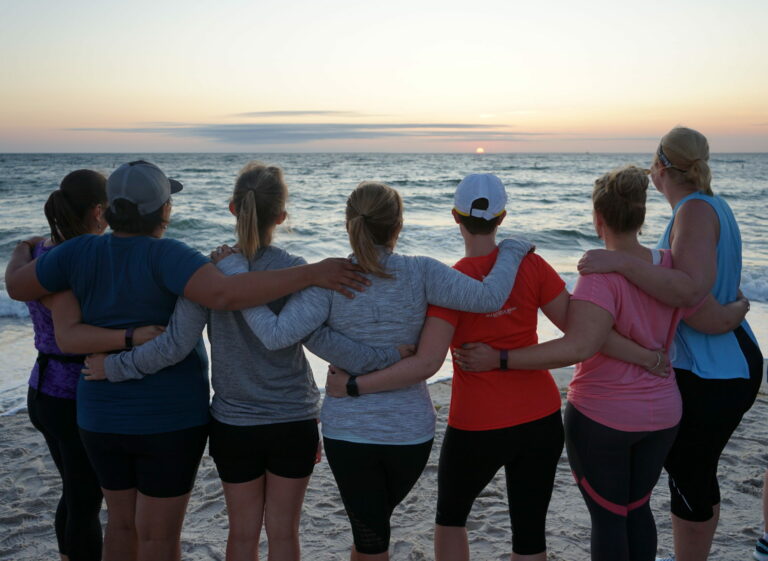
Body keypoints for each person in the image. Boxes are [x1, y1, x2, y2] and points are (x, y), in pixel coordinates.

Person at [4, 160, 371, 561]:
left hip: (101, 412)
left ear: (108, 209)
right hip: (171, 417)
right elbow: (228, 295)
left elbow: (17, 286)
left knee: (121, 526)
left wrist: (23, 249)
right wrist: (312, 275)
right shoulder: (174, 257)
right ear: (164, 210)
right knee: (163, 539)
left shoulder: (77, 250)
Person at [325, 172, 675, 561]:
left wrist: (365, 373)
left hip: (477, 424)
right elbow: (583, 336)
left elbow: (427, 360)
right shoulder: (533, 265)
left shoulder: (451, 282)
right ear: (502, 217)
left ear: (456, 217)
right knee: (530, 535)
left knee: (451, 519)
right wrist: (647, 355)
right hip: (540, 418)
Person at [216, 180, 535, 560]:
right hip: (410, 436)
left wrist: (235, 272)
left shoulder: (331, 280)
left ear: (350, 223)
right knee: (373, 533)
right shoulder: (421, 272)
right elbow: (489, 297)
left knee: (371, 536)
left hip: (350, 435)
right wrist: (512, 249)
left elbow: (276, 334)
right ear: (398, 226)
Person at [578, 129, 763, 561]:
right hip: (725, 357)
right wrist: (731, 311)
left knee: (690, 475)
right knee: (697, 472)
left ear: (660, 166)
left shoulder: (694, 211)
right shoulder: (707, 206)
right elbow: (704, 293)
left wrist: (621, 261)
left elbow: (693, 302)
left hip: (714, 366)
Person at [8, 170, 153, 561]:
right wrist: (134, 335)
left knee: (75, 493)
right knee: (84, 498)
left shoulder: (43, 251)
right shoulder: (79, 259)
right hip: (71, 395)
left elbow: (14, 280)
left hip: (41, 388)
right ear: (99, 210)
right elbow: (74, 329)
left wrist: (23, 243)